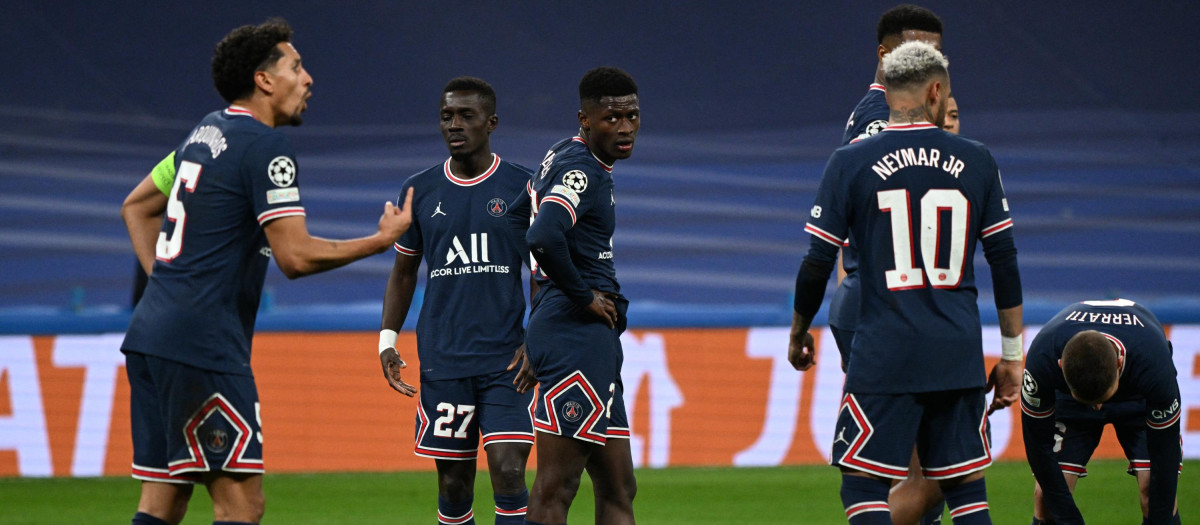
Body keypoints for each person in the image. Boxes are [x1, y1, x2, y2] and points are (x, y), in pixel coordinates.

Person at [118, 18, 413, 525]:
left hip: (151, 337)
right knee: (242, 504)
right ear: (264, 79)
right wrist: (381, 240)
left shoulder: (204, 133)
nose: (308, 78)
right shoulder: (265, 146)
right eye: (296, 66)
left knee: (164, 500)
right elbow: (294, 257)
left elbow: (137, 206)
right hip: (202, 345)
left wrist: (165, 286)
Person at [789, 41, 1024, 524]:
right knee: (965, 487)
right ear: (936, 91)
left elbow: (817, 261)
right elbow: (1004, 261)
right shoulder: (978, 160)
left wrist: (798, 332)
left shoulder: (849, 162)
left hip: (885, 350)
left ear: (889, 93)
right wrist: (1012, 357)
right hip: (957, 349)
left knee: (862, 484)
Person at [378, 77, 534, 525]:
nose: (454, 124)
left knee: (508, 470)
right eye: (447, 116)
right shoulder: (419, 190)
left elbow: (542, 273)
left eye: (466, 115)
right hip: (444, 361)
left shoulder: (522, 187)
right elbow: (404, 272)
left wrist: (536, 338)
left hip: (507, 362)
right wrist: (387, 340)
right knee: (453, 484)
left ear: (492, 122)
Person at [506, 67, 639, 525]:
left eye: (633, 117)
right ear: (585, 118)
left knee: (619, 486)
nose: (624, 128)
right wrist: (580, 298)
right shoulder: (583, 170)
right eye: (611, 118)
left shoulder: (562, 155)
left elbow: (522, 223)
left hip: (575, 331)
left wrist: (538, 320)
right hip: (577, 333)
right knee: (557, 486)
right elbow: (542, 235)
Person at [835, 6, 947, 524]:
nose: (930, 61)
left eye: (937, 53)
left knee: (919, 467)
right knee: (922, 469)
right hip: (892, 302)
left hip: (880, 298)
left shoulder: (888, 112)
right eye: (917, 50)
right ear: (884, 55)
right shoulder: (881, 117)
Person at [1022, 299, 1182, 524]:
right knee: (1046, 500)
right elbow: (1038, 447)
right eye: (1090, 402)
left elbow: (1165, 456)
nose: (1097, 408)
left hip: (1137, 397)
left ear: (1119, 364)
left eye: (1101, 400)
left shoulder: (1154, 365)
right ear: (1060, 365)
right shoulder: (1043, 358)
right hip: (1070, 400)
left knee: (1153, 490)